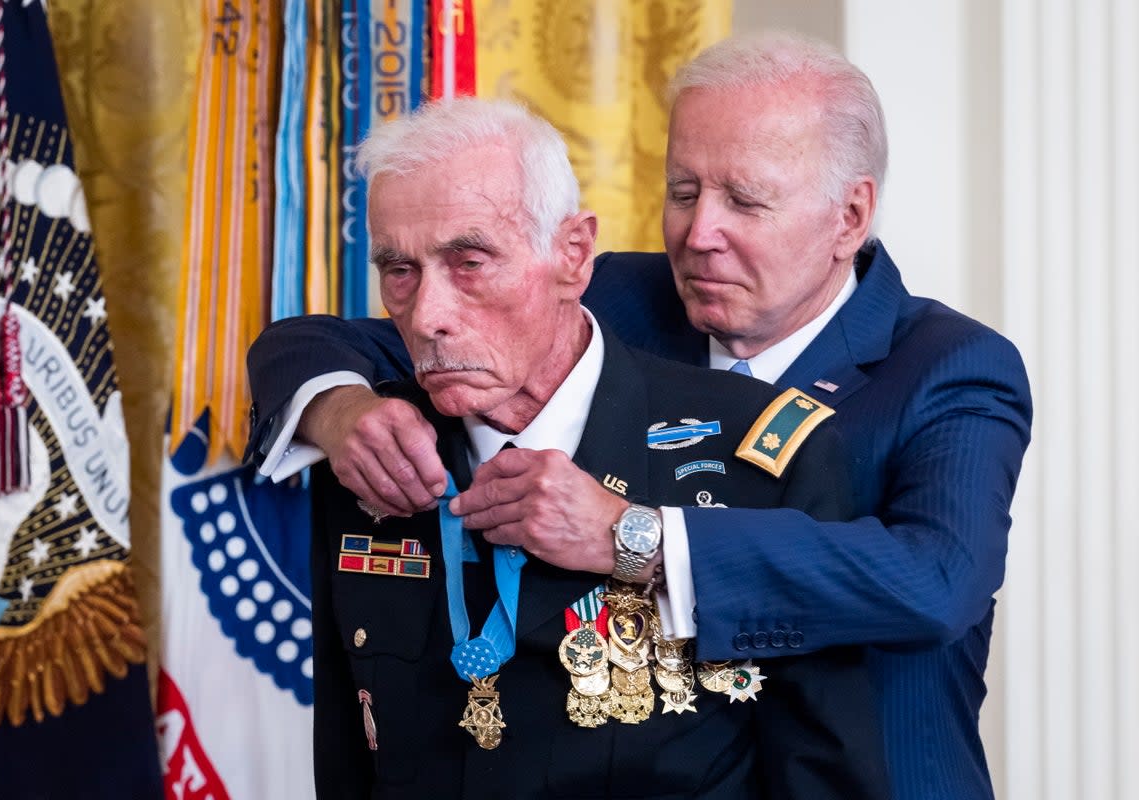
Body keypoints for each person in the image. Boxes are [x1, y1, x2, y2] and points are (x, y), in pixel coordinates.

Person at [248, 32, 1032, 799]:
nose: (699, 234)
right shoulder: (616, 297)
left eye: (745, 201)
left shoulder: (948, 368)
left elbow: (936, 584)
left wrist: (633, 539)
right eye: (683, 191)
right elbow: (339, 338)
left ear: (849, 217)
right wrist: (339, 408)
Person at [302, 97, 887, 799]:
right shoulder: (370, 453)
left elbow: (825, 775)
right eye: (399, 271)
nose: (427, 316)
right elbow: (348, 758)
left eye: (470, 261)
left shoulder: (758, 457)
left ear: (573, 256)